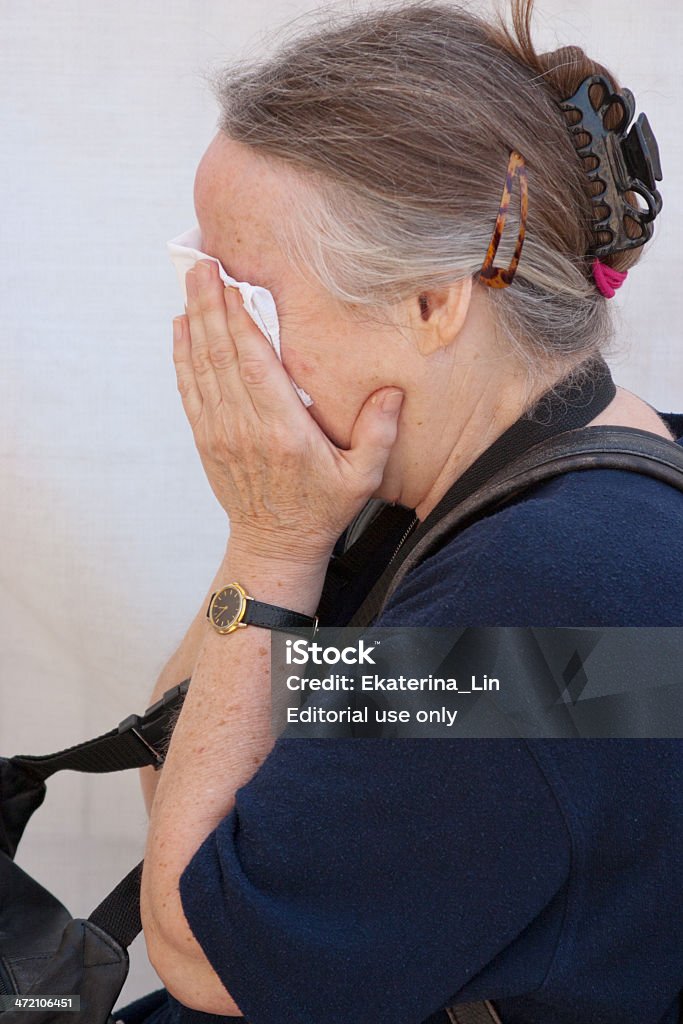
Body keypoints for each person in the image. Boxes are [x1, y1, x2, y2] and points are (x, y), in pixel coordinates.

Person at [114, 1, 683, 1022]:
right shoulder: (519, 490)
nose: (210, 336)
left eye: (240, 292)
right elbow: (201, 789)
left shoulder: (549, 589)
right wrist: (286, 528)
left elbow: (210, 948)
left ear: (431, 302)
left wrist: (269, 540)